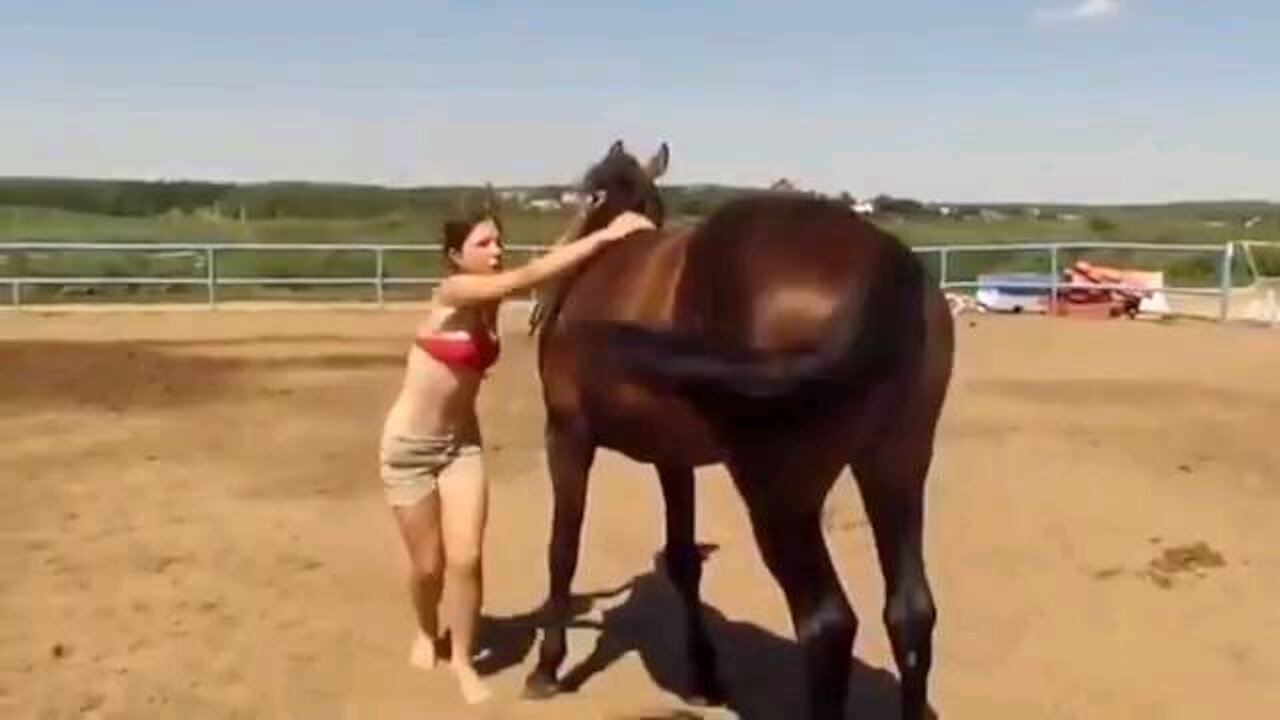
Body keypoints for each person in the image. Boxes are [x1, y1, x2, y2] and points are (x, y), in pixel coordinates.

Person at [377, 194, 654, 705]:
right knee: (429, 566)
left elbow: (538, 266)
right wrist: (606, 236)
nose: (497, 249)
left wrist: (583, 220)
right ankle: (425, 629)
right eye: (484, 243)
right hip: (409, 449)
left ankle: (461, 659)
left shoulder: (488, 302)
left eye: (499, 240)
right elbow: (526, 277)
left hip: (462, 446)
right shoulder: (455, 290)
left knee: (468, 557)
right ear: (457, 256)